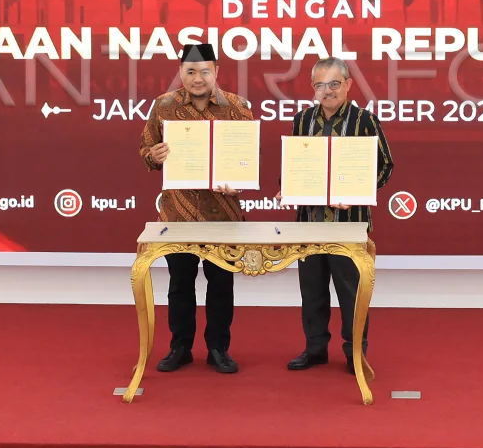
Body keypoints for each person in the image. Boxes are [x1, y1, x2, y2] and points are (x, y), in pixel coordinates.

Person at [138, 43, 252, 375]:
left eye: (204, 71)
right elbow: (146, 148)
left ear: (216, 72)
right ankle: (180, 348)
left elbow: (247, 158)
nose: (197, 78)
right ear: (181, 73)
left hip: (223, 212)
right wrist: (153, 156)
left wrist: (239, 179)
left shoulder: (237, 107)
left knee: (221, 284)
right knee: (180, 284)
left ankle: (218, 348)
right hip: (178, 213)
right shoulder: (164, 105)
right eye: (190, 72)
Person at [278, 57, 394, 374]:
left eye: (334, 84)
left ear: (348, 85)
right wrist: (286, 187)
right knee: (312, 291)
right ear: (312, 87)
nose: (327, 91)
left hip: (349, 225)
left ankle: (354, 352)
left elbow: (385, 165)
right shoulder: (302, 120)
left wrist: (358, 192)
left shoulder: (365, 120)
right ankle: (314, 349)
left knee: (350, 292)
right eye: (320, 85)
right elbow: (293, 165)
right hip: (309, 224)